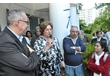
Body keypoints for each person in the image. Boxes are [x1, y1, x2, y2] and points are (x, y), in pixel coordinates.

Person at [0, 9, 40, 76]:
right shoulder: (3, 41)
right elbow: (28, 64)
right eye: (26, 22)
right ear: (18, 23)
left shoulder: (22, 38)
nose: (27, 25)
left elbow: (29, 61)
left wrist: (28, 58)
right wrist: (33, 53)